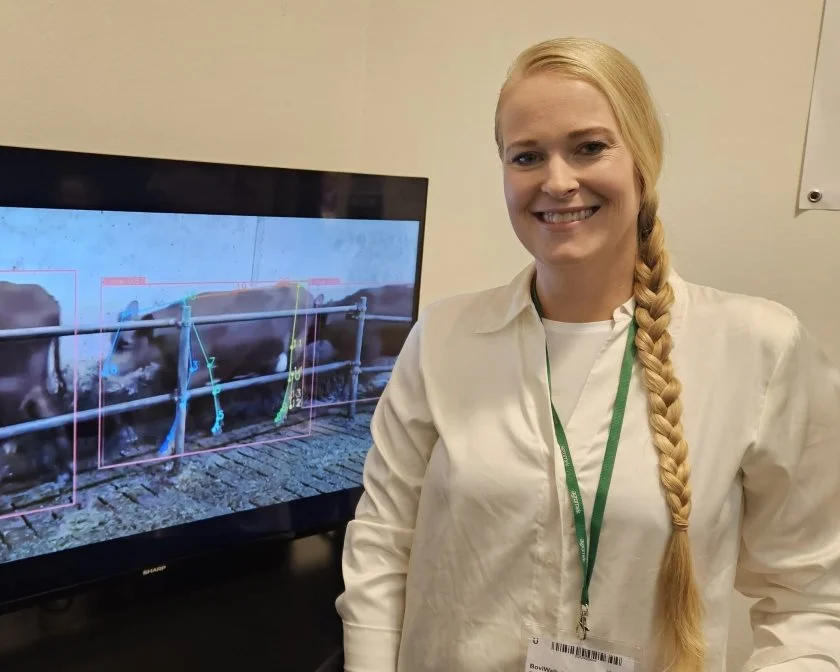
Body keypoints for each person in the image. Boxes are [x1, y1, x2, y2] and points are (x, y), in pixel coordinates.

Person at [334, 37, 840, 671]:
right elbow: (382, 549)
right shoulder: (443, 340)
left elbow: (813, 596)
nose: (557, 181)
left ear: (643, 160)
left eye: (589, 147)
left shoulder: (759, 350)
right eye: (526, 156)